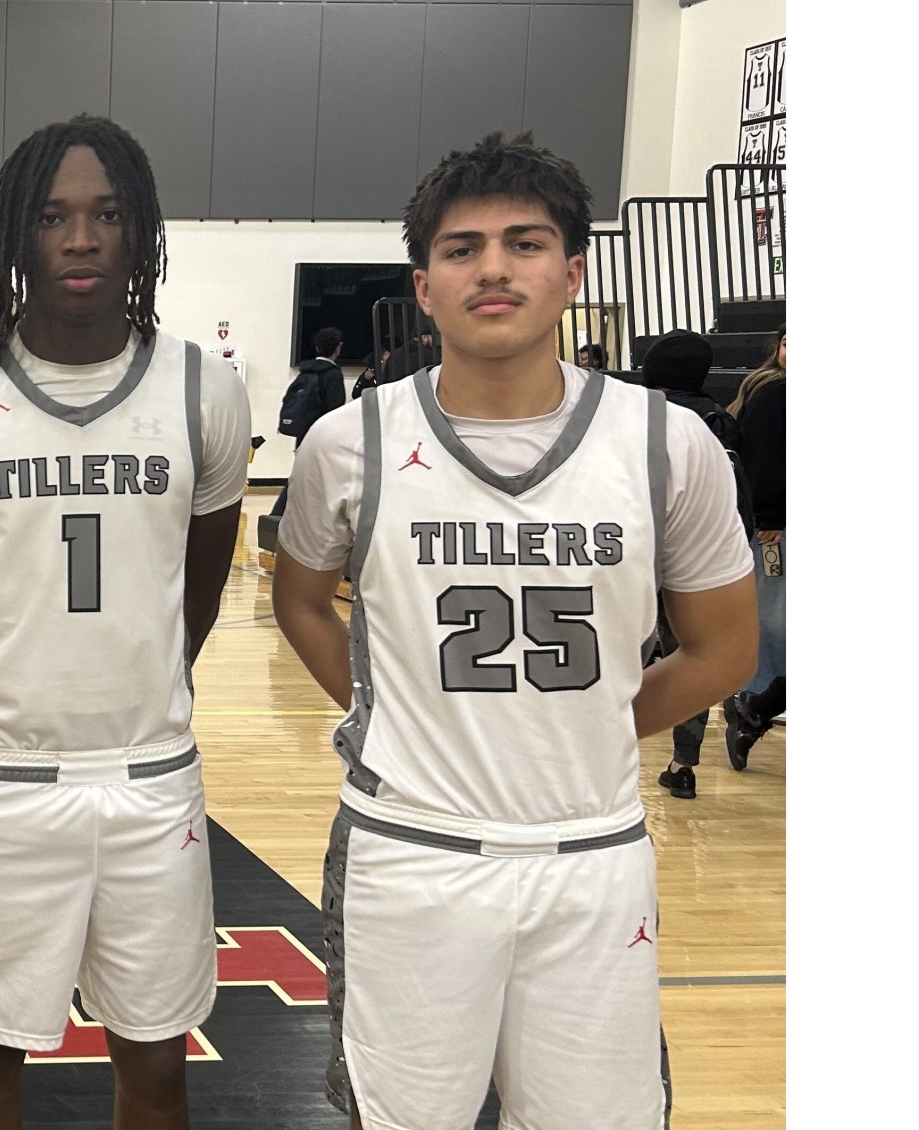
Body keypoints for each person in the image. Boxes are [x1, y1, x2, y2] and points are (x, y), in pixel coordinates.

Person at [270, 132, 756, 1130]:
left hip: (589, 848)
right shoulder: (347, 441)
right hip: (408, 844)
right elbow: (296, 595)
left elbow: (724, 649)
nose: (491, 267)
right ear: (425, 283)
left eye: (523, 243)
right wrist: (385, 710)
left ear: (571, 271)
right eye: (461, 248)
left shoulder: (668, 441)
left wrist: (593, 723)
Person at [0, 114, 250, 1130]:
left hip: (149, 776)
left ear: (140, 233)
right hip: (1, 779)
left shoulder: (198, 388)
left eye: (105, 214)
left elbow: (203, 579)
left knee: (157, 1060)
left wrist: (147, 671)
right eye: (52, 217)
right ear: (14, 234)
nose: (80, 239)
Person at [640, 330, 750, 798]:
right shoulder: (721, 420)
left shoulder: (640, 420)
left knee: (633, 651)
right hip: (708, 560)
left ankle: (602, 744)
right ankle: (683, 763)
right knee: (695, 656)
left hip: (640, 555)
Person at [721, 327, 786, 768]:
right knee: (776, 620)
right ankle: (752, 703)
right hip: (778, 530)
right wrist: (770, 519)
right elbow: (766, 462)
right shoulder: (774, 394)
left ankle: (754, 706)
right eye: (787, 341)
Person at [272, 327, 347, 516]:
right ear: (337, 348)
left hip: (303, 434)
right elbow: (335, 410)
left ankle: (280, 517)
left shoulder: (306, 371)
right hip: (323, 438)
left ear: (317, 348)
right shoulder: (333, 374)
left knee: (300, 476)